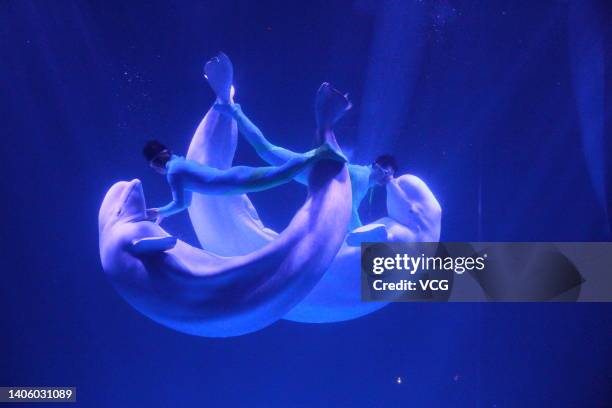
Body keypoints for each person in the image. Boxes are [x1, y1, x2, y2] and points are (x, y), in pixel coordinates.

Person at [214, 102, 398, 231]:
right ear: (377, 166)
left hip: (308, 171)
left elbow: (347, 208)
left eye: (390, 175)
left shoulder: (364, 180)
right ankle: (235, 112)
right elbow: (349, 209)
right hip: (307, 168)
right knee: (266, 150)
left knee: (266, 151)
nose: (387, 178)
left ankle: (235, 113)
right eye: (387, 172)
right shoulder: (363, 177)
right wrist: (360, 235)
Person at [143, 138, 344, 221]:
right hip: (235, 179)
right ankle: (317, 153)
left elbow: (179, 204)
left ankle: (320, 152)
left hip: (236, 181)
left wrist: (158, 212)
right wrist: (163, 213)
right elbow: (186, 203)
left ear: (155, 162)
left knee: (283, 175)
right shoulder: (178, 165)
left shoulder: (173, 172)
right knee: (282, 173)